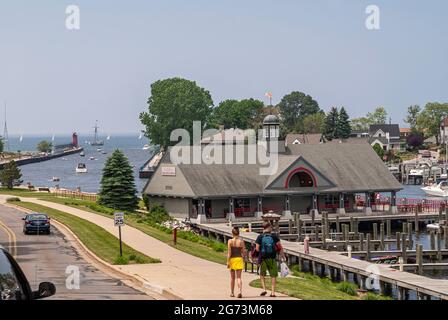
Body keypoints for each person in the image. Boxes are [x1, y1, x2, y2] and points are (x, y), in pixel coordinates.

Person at [255, 221, 285, 297]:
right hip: (272, 258)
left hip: (263, 258)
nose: (271, 228)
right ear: (269, 227)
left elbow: (257, 249)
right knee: (273, 275)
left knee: (262, 274)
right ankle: (273, 292)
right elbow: (280, 247)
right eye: (271, 227)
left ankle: (264, 289)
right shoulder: (274, 236)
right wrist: (282, 256)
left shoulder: (260, 237)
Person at [227, 226, 246, 298]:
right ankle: (240, 291)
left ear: (232, 233)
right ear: (239, 233)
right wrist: (243, 257)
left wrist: (228, 262)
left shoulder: (230, 241)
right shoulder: (241, 241)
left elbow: (229, 253)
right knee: (239, 277)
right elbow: (243, 252)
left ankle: (232, 292)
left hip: (232, 260)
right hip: (239, 259)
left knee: (232, 278)